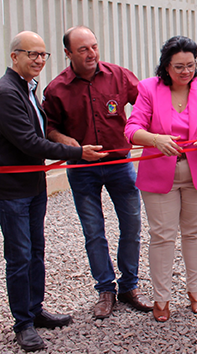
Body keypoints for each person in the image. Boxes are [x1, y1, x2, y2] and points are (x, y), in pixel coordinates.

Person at [0, 31, 106, 351]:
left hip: (33, 184)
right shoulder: (5, 94)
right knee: (19, 256)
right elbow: (28, 141)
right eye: (32, 54)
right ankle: (22, 323)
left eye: (43, 55)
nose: (39, 60)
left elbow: (41, 132)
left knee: (35, 250)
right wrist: (78, 152)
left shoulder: (27, 89)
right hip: (11, 189)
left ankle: (35, 310)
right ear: (14, 57)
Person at [43, 26, 152, 319]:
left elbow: (145, 104)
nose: (91, 54)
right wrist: (75, 147)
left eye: (94, 46)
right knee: (94, 231)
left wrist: (150, 134)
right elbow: (50, 128)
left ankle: (129, 287)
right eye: (83, 49)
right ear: (68, 53)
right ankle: (105, 290)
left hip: (120, 165)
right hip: (82, 169)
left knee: (131, 226)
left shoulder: (118, 75)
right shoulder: (55, 89)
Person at [125, 36, 197, 322]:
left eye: (191, 65)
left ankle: (196, 292)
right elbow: (132, 129)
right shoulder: (148, 89)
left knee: (194, 233)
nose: (185, 72)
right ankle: (161, 298)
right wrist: (155, 139)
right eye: (179, 66)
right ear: (165, 66)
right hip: (159, 171)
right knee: (162, 235)